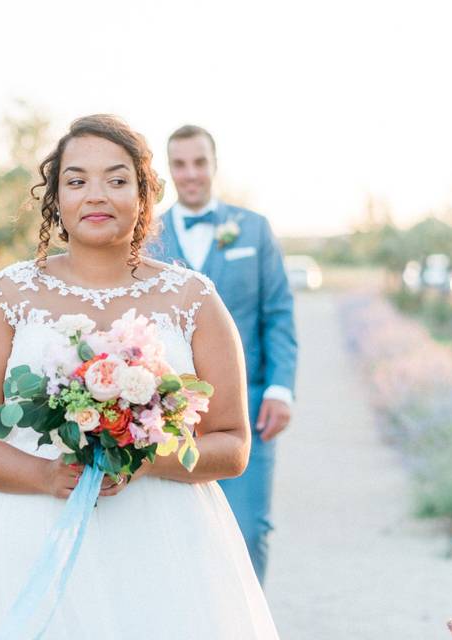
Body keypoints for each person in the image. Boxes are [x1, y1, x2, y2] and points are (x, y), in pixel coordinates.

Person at [0, 115, 278, 639]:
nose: (96, 195)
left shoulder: (194, 300)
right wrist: (47, 476)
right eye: (76, 181)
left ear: (144, 196)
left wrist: (148, 461)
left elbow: (232, 446)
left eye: (117, 180)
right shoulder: (9, 296)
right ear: (55, 199)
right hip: (26, 539)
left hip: (161, 544)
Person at [148, 124, 298, 584]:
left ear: (214, 165)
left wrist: (280, 389)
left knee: (249, 530)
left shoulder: (254, 230)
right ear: (168, 170)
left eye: (199, 163)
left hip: (248, 406)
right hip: (166, 412)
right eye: (179, 164)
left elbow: (278, 314)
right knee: (175, 534)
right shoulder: (148, 235)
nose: (190, 174)